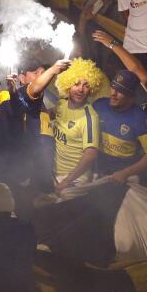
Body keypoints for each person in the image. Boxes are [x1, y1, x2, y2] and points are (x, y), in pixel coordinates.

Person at [92, 69, 147, 184]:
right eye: (113, 87)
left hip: (123, 179)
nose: (113, 93)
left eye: (121, 91)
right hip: (97, 173)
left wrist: (126, 173)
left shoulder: (141, 119)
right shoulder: (99, 105)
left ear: (131, 96)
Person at [50, 58, 106, 196]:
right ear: (67, 85)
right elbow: (47, 115)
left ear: (91, 89)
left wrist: (66, 182)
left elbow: (91, 155)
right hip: (54, 174)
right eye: (76, 84)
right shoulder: (61, 104)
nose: (81, 89)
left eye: (86, 85)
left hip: (74, 181)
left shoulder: (90, 117)